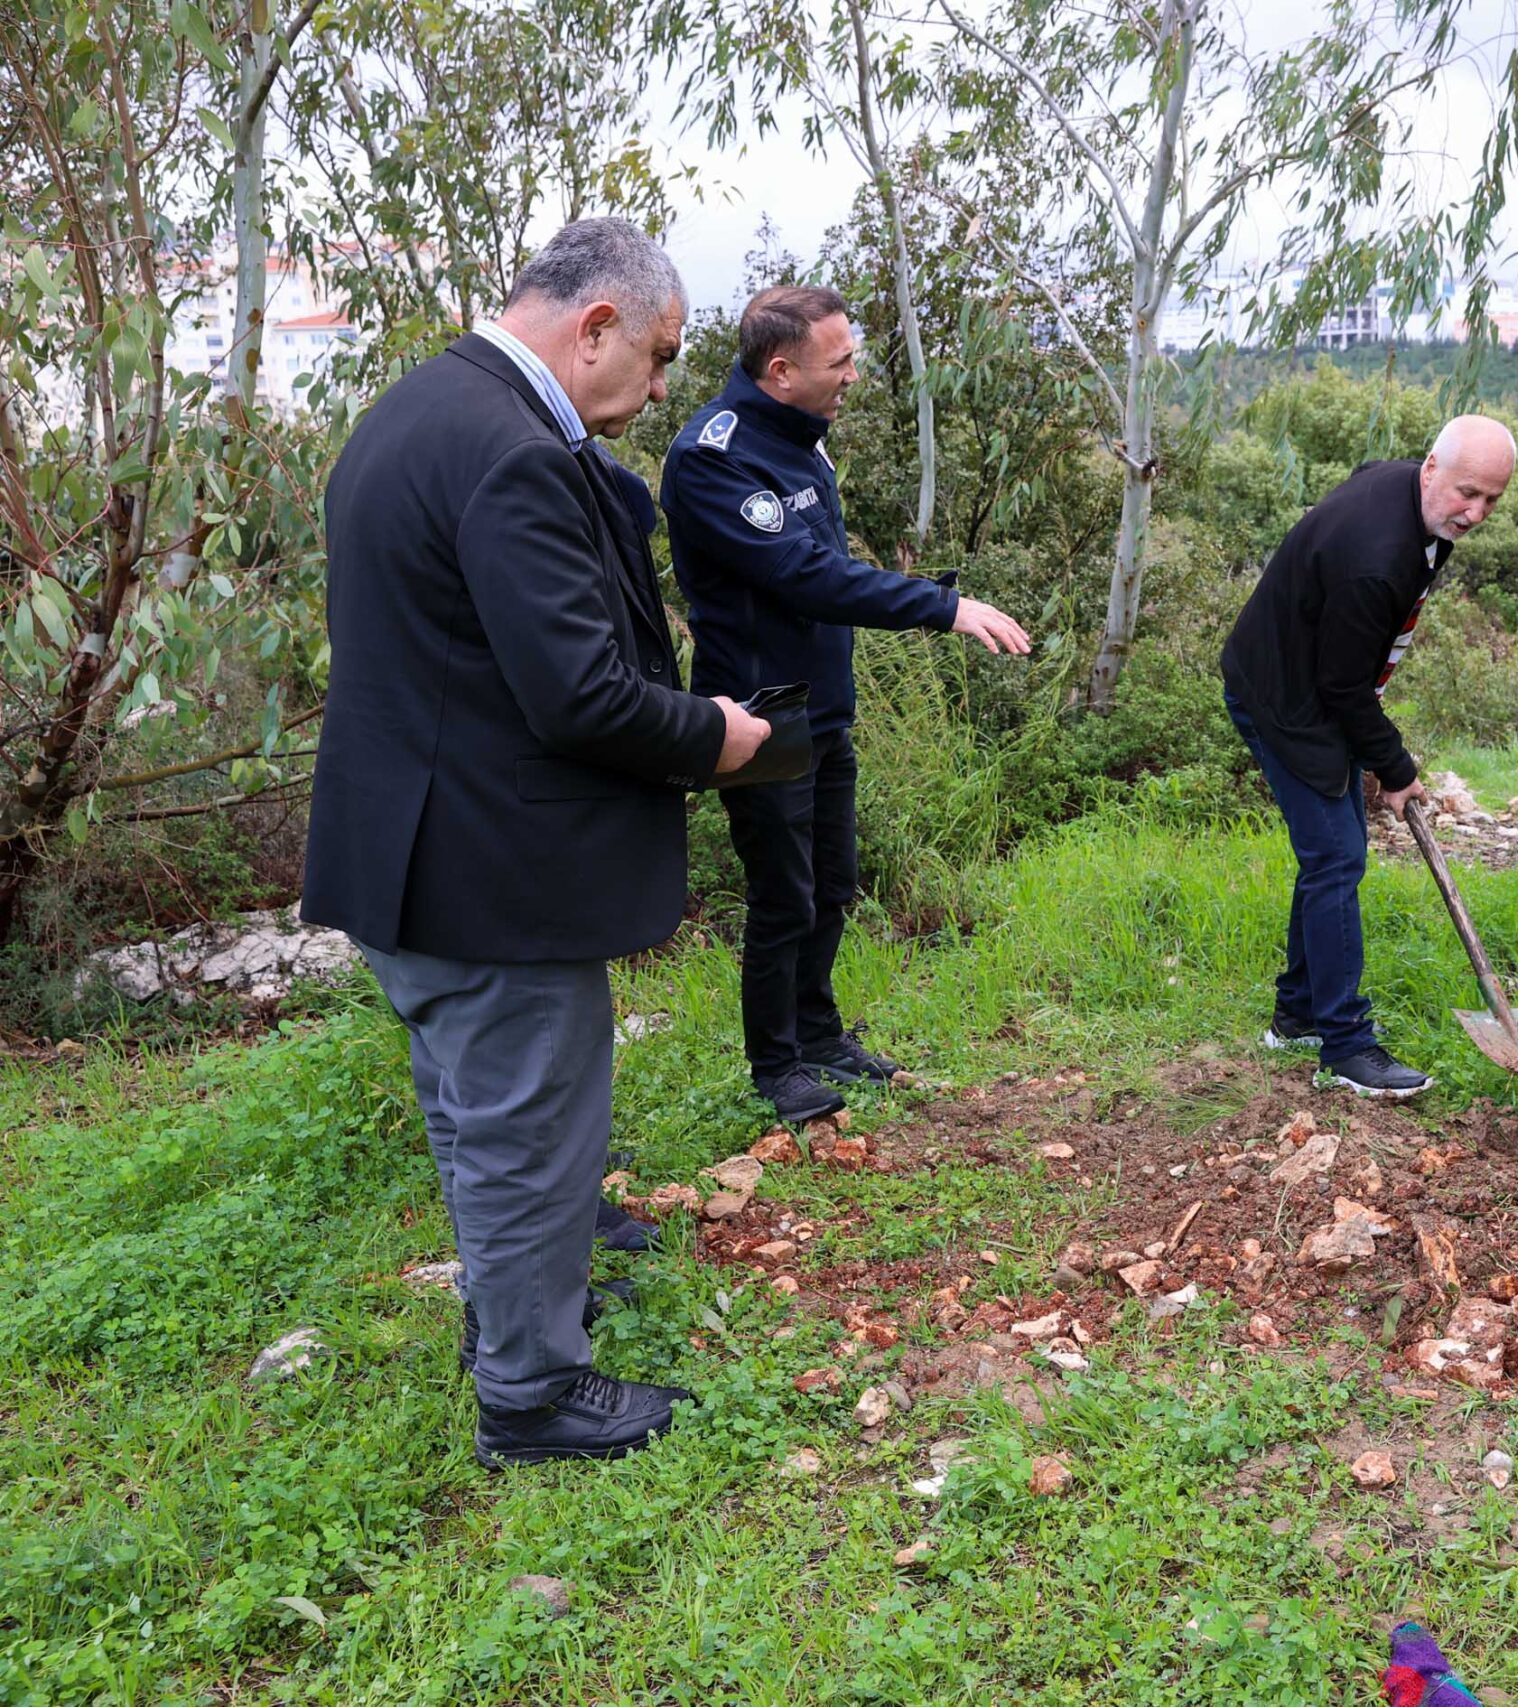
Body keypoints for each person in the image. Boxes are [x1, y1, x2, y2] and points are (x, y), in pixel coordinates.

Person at [303, 219, 772, 1467]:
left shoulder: (414, 411)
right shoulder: (511, 451)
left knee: (476, 1117)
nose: (662, 389)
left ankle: (512, 1315)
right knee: (525, 1131)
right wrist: (714, 735)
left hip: (404, 849)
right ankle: (532, 1395)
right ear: (595, 325)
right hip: (488, 871)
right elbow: (580, 697)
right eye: (660, 356)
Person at [661, 284, 1029, 1125]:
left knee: (833, 883)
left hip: (826, 705)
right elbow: (807, 575)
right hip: (761, 714)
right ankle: (776, 1064)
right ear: (781, 371)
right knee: (783, 893)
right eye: (842, 361)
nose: (854, 375)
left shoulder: (804, 439)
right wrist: (942, 605)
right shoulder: (715, 459)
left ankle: (821, 1036)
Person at [1219, 416, 1517, 1099]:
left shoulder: (1409, 494)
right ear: (1432, 468)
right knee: (1337, 857)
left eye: (1491, 499)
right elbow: (1344, 689)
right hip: (1287, 700)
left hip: (1310, 682)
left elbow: (1346, 678)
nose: (1476, 513)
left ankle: (1297, 1015)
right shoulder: (1376, 562)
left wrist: (1379, 755)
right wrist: (1397, 768)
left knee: (1334, 852)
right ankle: (1346, 1046)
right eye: (1467, 493)